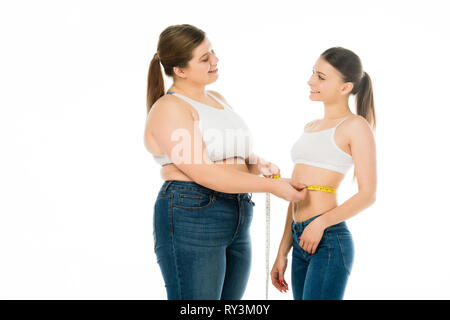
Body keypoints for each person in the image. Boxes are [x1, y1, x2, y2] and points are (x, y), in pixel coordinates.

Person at [144, 24, 307, 300]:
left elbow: (230, 154)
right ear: (180, 70)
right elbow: (205, 172)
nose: (215, 60)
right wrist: (270, 187)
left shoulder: (217, 99)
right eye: (204, 58)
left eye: (213, 52)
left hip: (236, 210)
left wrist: (258, 165)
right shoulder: (170, 108)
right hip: (193, 211)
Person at [270, 47, 377, 300]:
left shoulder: (355, 126)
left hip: (328, 238)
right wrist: (282, 251)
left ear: (345, 87)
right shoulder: (311, 127)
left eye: (320, 77)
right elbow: (296, 194)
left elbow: (368, 194)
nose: (311, 81)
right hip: (300, 238)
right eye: (313, 73)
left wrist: (320, 223)